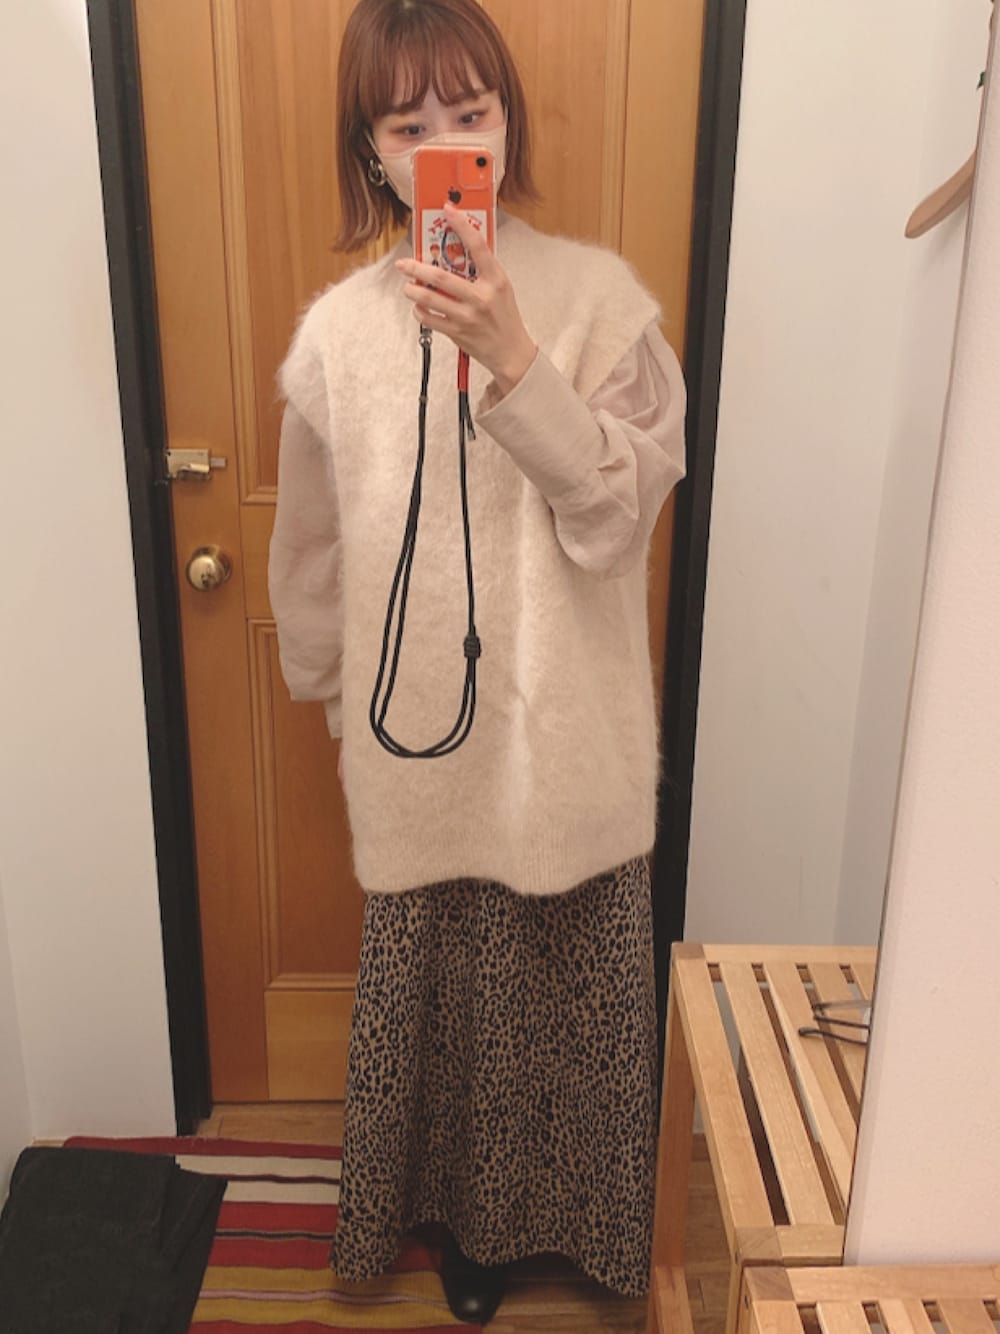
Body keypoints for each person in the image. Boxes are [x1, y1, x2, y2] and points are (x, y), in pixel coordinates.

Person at [267, 0, 686, 1323]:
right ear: (372, 152)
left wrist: (514, 360)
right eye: (410, 123)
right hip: (419, 741)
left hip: (571, 735)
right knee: (447, 1015)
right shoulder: (337, 337)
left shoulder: (601, 304)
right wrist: (333, 699)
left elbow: (615, 520)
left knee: (574, 1004)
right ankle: (460, 1231)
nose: (447, 141)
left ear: (508, 121)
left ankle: (593, 1235)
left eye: (472, 111)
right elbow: (310, 549)